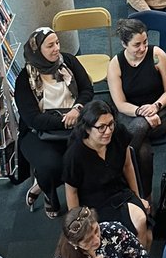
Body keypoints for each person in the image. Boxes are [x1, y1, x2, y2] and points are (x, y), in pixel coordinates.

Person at [15, 26, 94, 219]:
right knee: (51, 166)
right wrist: (64, 121)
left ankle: (45, 186)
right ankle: (47, 190)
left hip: (75, 121)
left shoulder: (68, 61)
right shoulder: (24, 79)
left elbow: (87, 89)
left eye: (57, 43)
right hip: (39, 133)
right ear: (37, 50)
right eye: (50, 45)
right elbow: (33, 118)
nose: (56, 48)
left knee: (88, 154)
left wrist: (77, 110)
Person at [63, 101, 152, 249]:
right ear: (87, 129)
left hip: (119, 191)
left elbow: (128, 165)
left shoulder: (118, 133)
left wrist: (137, 197)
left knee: (143, 225)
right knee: (109, 243)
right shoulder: (74, 155)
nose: (108, 131)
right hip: (94, 203)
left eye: (111, 124)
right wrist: (78, 225)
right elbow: (71, 192)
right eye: (101, 127)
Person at [107, 19, 166, 203]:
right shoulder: (116, 64)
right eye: (137, 45)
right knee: (143, 153)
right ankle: (146, 199)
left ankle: (115, 169)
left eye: (145, 42)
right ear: (124, 44)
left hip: (160, 111)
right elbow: (120, 104)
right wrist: (141, 112)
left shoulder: (157, 55)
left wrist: (155, 107)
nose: (143, 48)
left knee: (136, 129)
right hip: (132, 113)